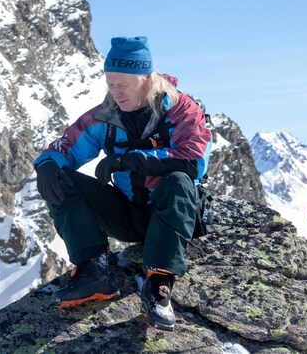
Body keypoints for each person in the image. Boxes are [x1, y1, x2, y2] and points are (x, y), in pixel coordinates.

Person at [34, 36, 213, 331]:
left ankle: (159, 286)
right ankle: (92, 271)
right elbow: (68, 144)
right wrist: (48, 164)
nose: (115, 92)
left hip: (175, 215)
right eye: (110, 83)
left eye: (123, 84)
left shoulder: (182, 109)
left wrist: (131, 160)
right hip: (129, 215)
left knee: (179, 181)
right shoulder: (106, 116)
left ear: (146, 78)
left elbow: (194, 160)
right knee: (63, 179)